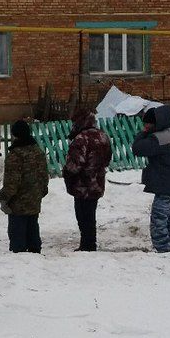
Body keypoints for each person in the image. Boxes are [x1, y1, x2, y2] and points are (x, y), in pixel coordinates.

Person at [131, 105, 170, 253]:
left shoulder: (159, 139)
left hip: (165, 187)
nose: (146, 126)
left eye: (148, 123)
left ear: (156, 123)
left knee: (158, 222)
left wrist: (142, 133)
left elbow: (137, 149)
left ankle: (163, 252)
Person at [62, 106, 112, 251]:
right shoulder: (103, 136)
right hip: (97, 182)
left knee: (83, 216)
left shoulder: (81, 139)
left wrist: (66, 173)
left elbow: (74, 166)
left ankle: (87, 244)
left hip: (82, 184)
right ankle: (90, 242)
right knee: (91, 214)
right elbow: (108, 158)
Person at [0, 119, 48, 253]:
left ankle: (20, 260)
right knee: (33, 228)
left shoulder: (15, 155)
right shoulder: (38, 152)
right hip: (35, 199)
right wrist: (40, 192)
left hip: (18, 203)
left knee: (18, 236)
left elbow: (12, 183)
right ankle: (35, 255)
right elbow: (44, 176)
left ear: (15, 135)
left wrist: (4, 198)